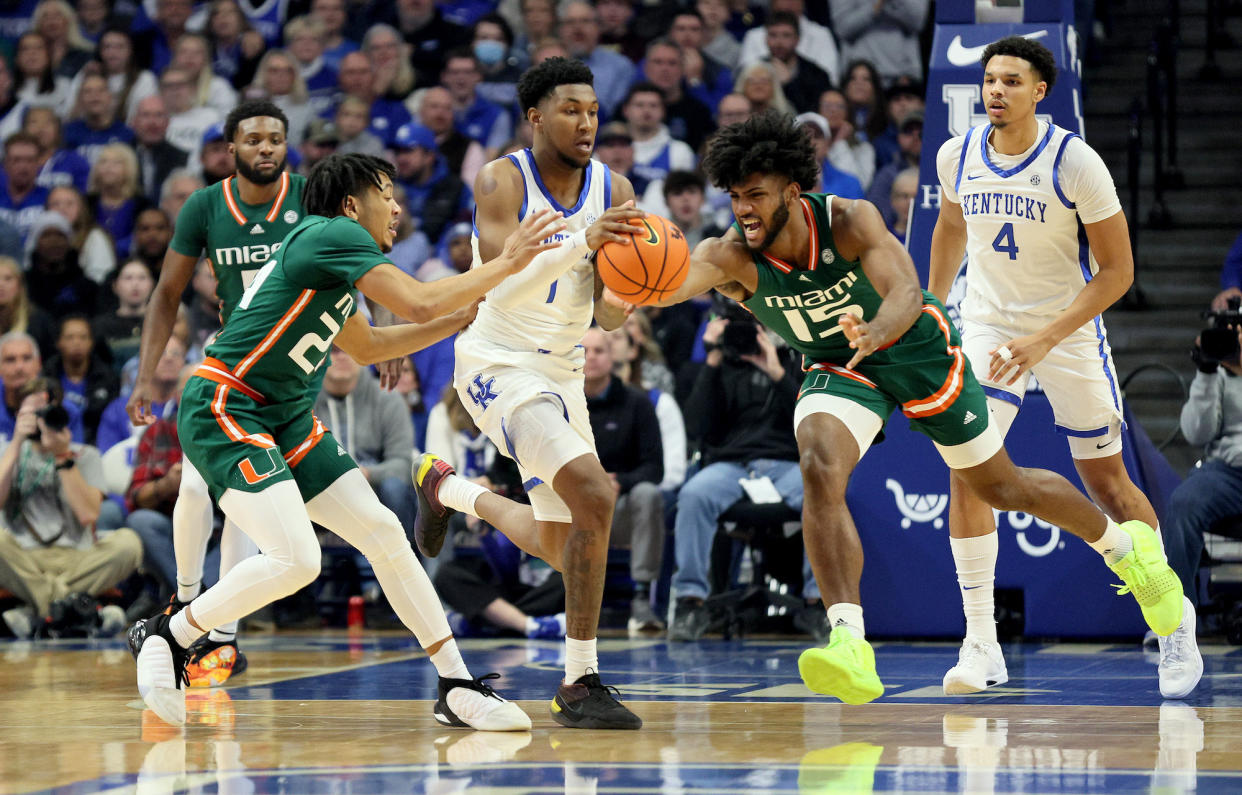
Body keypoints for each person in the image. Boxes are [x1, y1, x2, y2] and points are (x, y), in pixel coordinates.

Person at [638, 110, 1184, 706]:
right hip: (840, 366)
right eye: (736, 196)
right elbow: (647, 293)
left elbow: (905, 290)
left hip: (914, 348)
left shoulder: (850, 219)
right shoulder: (728, 255)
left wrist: (874, 331)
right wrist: (601, 266)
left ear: (793, 192)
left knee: (1002, 487)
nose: (744, 208)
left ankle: (1124, 550)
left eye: (757, 195)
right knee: (820, 467)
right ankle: (849, 641)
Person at [127, 151, 563, 728]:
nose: (398, 207)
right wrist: (506, 262)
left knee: (383, 531)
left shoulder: (332, 260)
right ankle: (171, 632)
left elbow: (369, 349)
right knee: (297, 559)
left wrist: (456, 321)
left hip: (284, 418)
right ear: (353, 204)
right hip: (227, 404)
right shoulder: (328, 233)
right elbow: (418, 299)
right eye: (388, 193)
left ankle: (457, 685)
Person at [929, 36, 1202, 701]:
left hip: (1070, 327)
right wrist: (933, 306)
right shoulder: (956, 153)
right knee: (970, 471)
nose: (996, 91)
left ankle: (1173, 622)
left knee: (1107, 480)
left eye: (1011, 81)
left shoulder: (1075, 162)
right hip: (989, 323)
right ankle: (981, 642)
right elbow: (950, 227)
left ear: (1040, 91)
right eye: (990, 80)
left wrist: (1047, 338)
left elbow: (1118, 272)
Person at [410, 57, 646, 730]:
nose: (586, 121)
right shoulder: (500, 178)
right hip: (498, 361)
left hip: (565, 370)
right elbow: (498, 279)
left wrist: (626, 294)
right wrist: (581, 243)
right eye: (571, 109)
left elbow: (603, 311)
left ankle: (447, 490)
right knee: (598, 496)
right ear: (536, 116)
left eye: (594, 110)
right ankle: (580, 680)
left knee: (564, 540)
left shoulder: (615, 186)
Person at [127, 100, 306, 688]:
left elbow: (360, 263)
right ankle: (184, 603)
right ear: (231, 148)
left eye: (275, 139)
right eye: (253, 139)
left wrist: (385, 338)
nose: (265, 148)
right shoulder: (205, 206)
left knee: (246, 499)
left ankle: (222, 633)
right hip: (232, 363)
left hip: (289, 373)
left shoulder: (307, 196)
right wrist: (145, 375)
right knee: (198, 482)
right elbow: (166, 292)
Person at [0, 375, 141, 638]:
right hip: (23, 558)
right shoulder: (7, 453)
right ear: (19, 414)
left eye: (47, 413)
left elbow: (88, 515)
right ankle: (85, 614)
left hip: (78, 558)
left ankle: (36, 613)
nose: (41, 420)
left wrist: (62, 455)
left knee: (129, 543)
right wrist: (17, 441)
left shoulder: (86, 455)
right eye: (33, 413)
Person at [581, 326, 665, 634]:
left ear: (612, 355)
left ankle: (641, 595)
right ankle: (556, 597)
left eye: (599, 350)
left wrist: (617, 482)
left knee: (648, 493)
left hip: (620, 505)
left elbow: (655, 469)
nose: (590, 357)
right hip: (573, 503)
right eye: (583, 350)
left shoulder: (637, 402)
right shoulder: (562, 401)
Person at [1163, 323, 1242, 614]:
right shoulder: (1218, 374)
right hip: (1227, 473)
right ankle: (1178, 621)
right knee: (1184, 503)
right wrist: (1207, 373)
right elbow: (1196, 433)